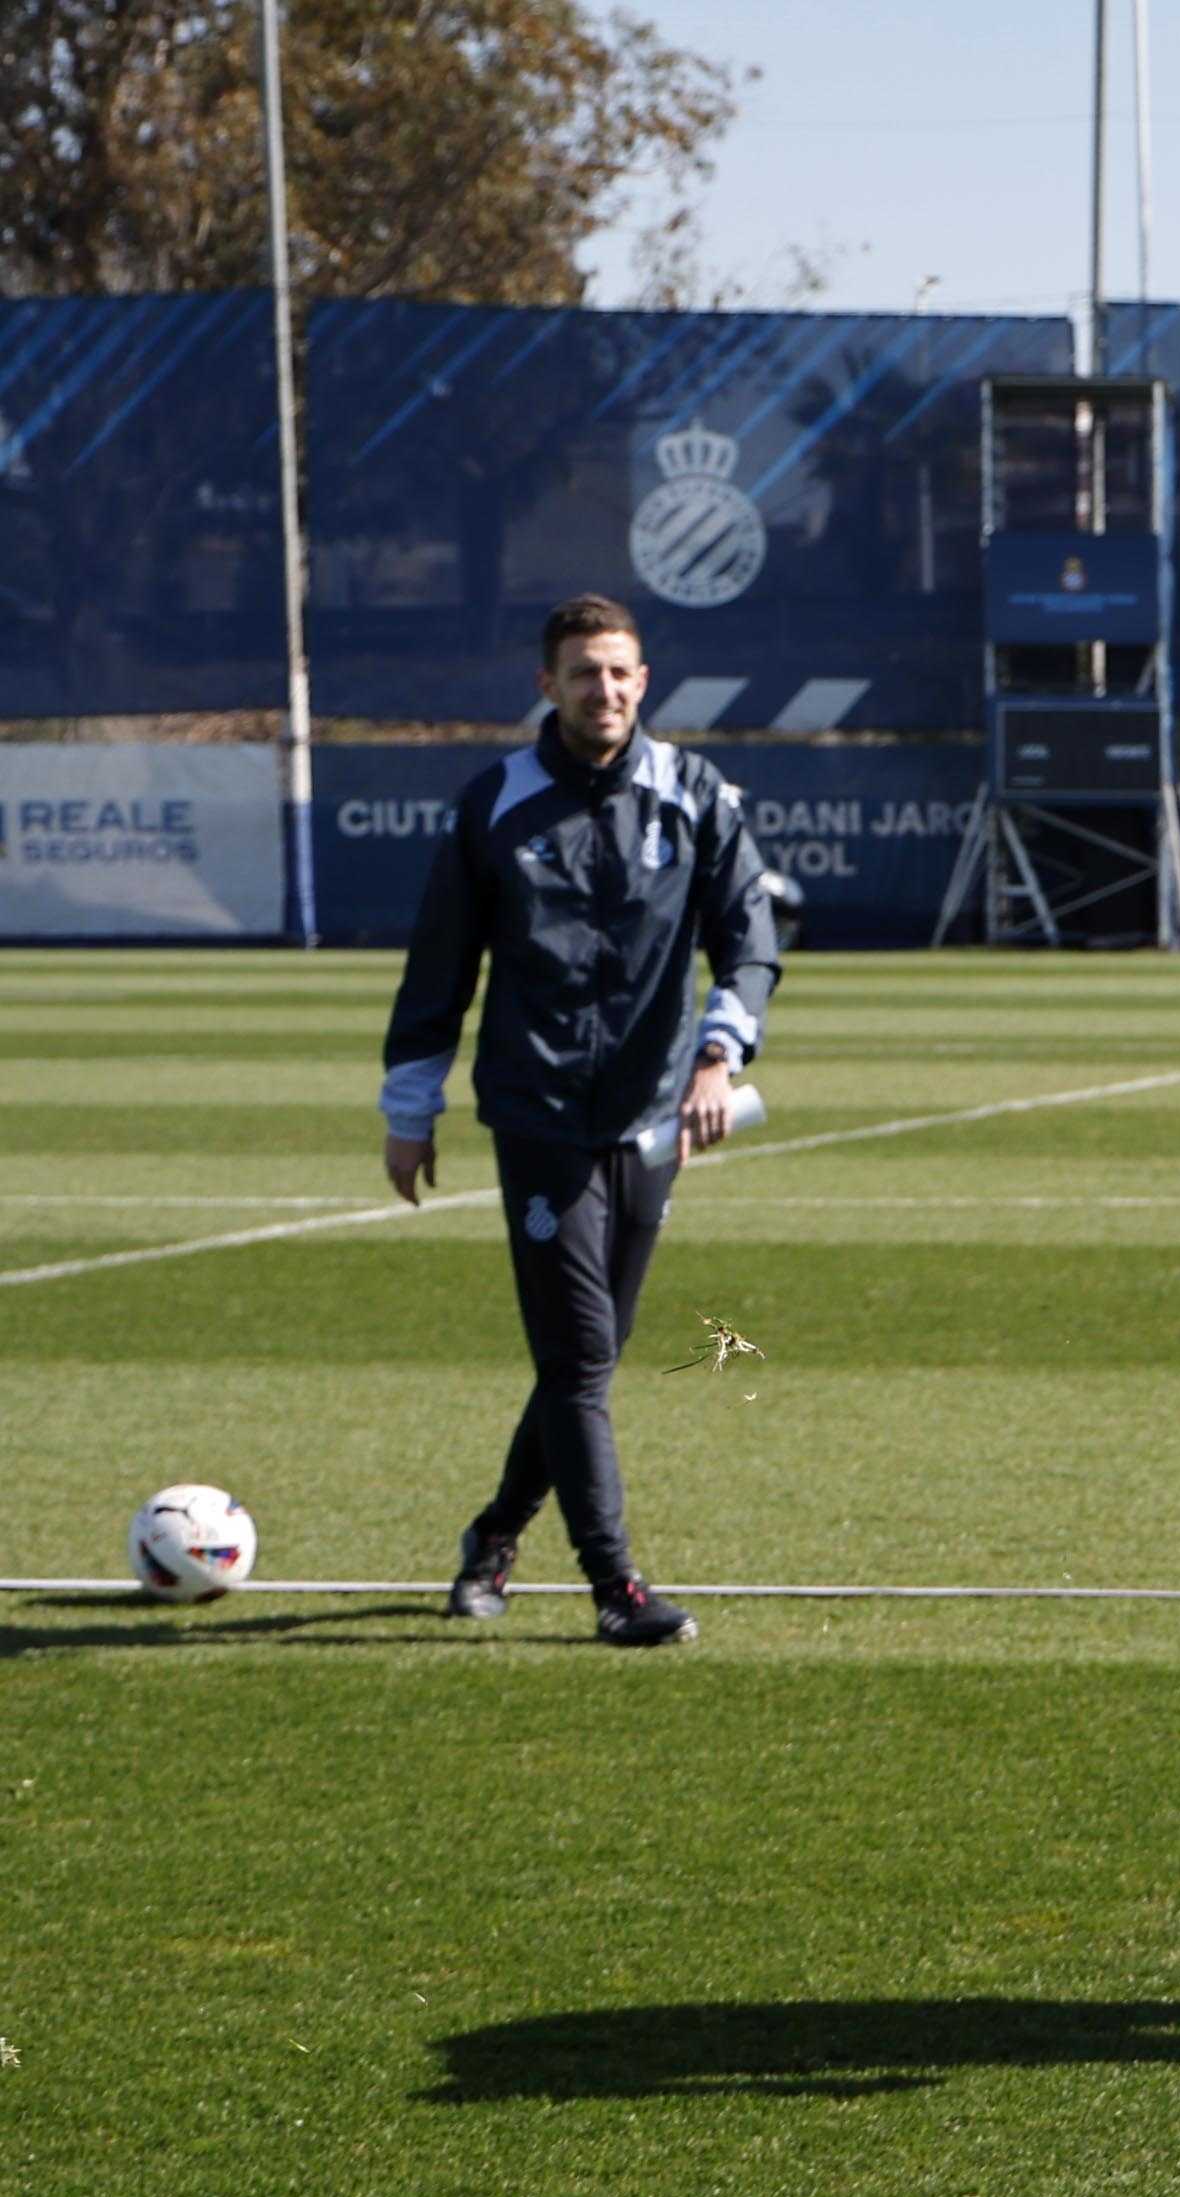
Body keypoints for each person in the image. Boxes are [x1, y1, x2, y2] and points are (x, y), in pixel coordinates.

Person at [380, 593, 785, 1649]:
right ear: (546, 685)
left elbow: (749, 939)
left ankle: (492, 1537)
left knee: (588, 1358)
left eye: (617, 672)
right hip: (540, 1115)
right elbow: (439, 968)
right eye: (581, 673)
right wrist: (410, 1110)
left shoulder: (695, 793)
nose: (602, 689)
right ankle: (616, 1586)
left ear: (641, 682)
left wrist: (718, 1055)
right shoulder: (495, 803)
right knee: (579, 1358)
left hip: (653, 1118)